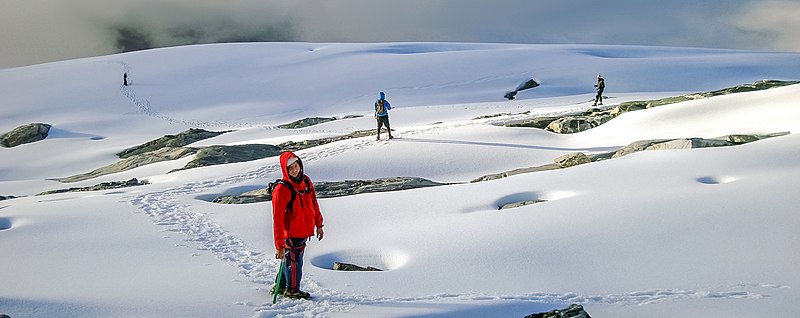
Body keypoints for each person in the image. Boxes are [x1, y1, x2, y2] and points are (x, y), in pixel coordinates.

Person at [271, 151, 325, 299]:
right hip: (291, 234)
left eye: (296, 166)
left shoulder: (306, 181)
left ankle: (281, 285)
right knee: (294, 263)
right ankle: (292, 290)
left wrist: (319, 224)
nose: (295, 170)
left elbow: (314, 203)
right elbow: (277, 220)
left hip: (304, 231)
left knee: (290, 260)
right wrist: (279, 245)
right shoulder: (282, 190)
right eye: (291, 168)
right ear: (285, 170)